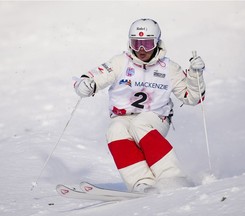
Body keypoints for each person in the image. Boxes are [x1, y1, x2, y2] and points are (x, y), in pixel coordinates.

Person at [74, 18, 206, 193]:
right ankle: (142, 183)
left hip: (157, 117)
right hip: (123, 116)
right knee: (115, 130)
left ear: (157, 43)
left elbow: (192, 98)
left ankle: (172, 177)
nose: (142, 50)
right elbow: (93, 78)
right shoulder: (120, 62)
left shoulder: (169, 68)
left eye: (147, 44)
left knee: (140, 124)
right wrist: (84, 85)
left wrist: (196, 75)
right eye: (137, 44)